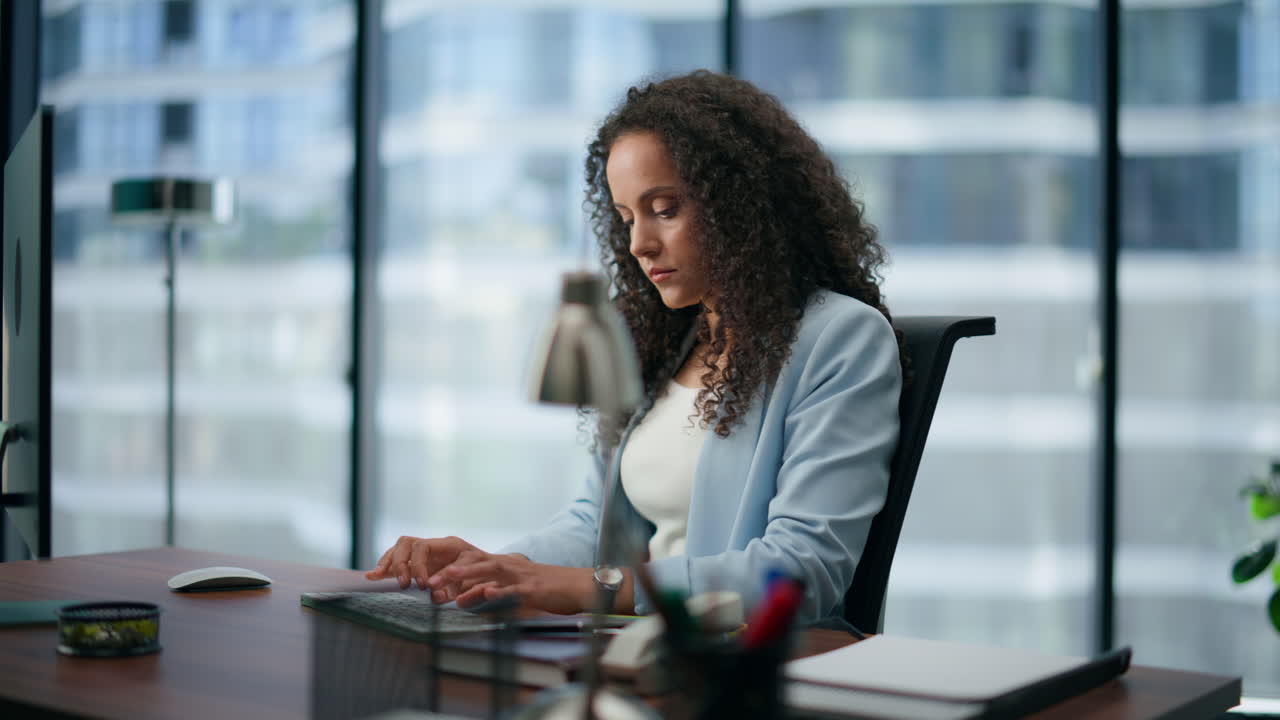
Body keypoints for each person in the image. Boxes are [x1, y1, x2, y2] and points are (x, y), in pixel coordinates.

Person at [365, 70, 903, 626]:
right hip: (641, 647)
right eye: (626, 218)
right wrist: (494, 566)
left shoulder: (839, 339)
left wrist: (584, 589)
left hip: (747, 669)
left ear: (743, 205)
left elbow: (794, 574)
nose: (639, 244)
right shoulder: (669, 341)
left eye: (665, 209)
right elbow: (591, 524)